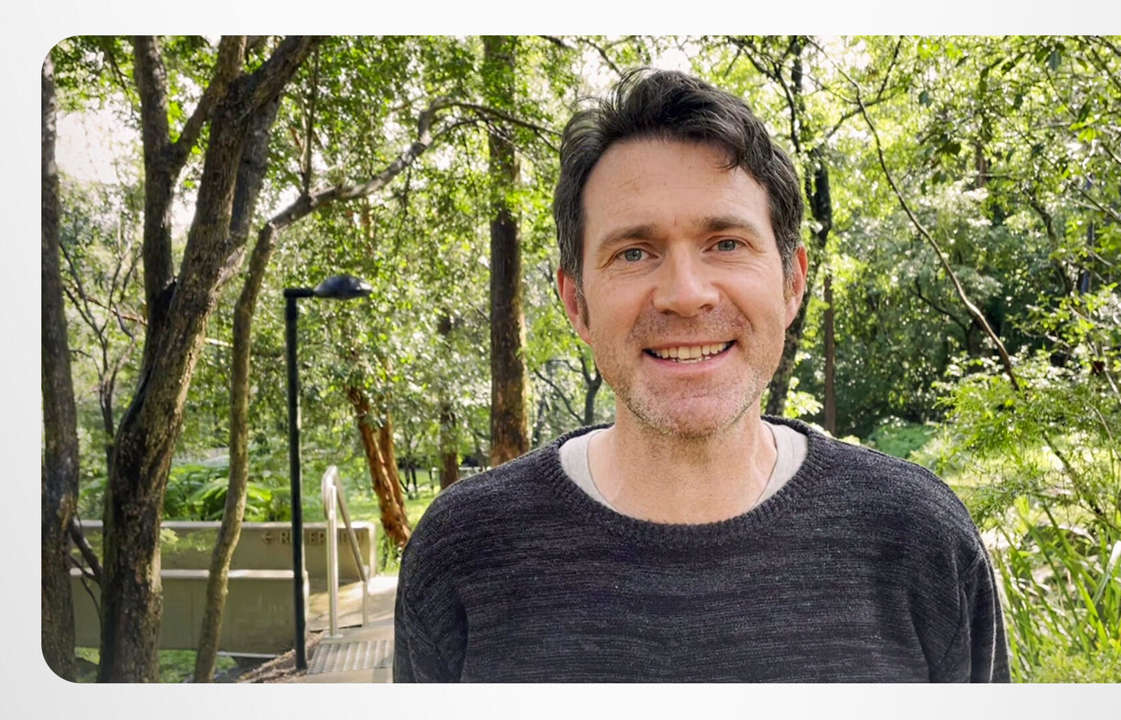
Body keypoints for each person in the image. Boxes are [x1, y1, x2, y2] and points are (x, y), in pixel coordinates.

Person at [394, 68, 1009, 682]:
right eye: (634, 252)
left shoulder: (919, 540)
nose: (686, 295)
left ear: (792, 283)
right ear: (577, 303)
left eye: (726, 243)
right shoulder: (464, 553)